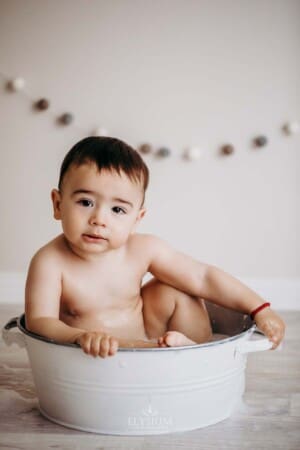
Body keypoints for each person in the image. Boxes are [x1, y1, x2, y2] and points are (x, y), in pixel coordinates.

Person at [25, 136, 285, 358]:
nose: (99, 219)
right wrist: (81, 337)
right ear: (58, 205)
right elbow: (40, 322)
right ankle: (171, 352)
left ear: (136, 219)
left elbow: (202, 277)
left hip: (151, 337)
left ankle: (197, 351)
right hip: (95, 357)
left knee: (177, 287)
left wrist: (259, 308)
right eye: (85, 202)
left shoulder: (142, 248)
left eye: (117, 209)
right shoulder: (50, 262)